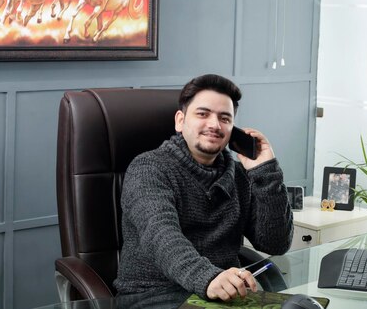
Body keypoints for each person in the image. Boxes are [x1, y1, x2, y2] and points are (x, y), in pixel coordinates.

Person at [114, 74, 294, 302]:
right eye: (203, 114)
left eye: (225, 118)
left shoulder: (239, 176)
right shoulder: (149, 168)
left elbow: (275, 243)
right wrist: (209, 278)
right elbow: (160, 235)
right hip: (155, 295)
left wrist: (266, 171)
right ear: (180, 121)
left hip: (223, 295)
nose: (214, 125)